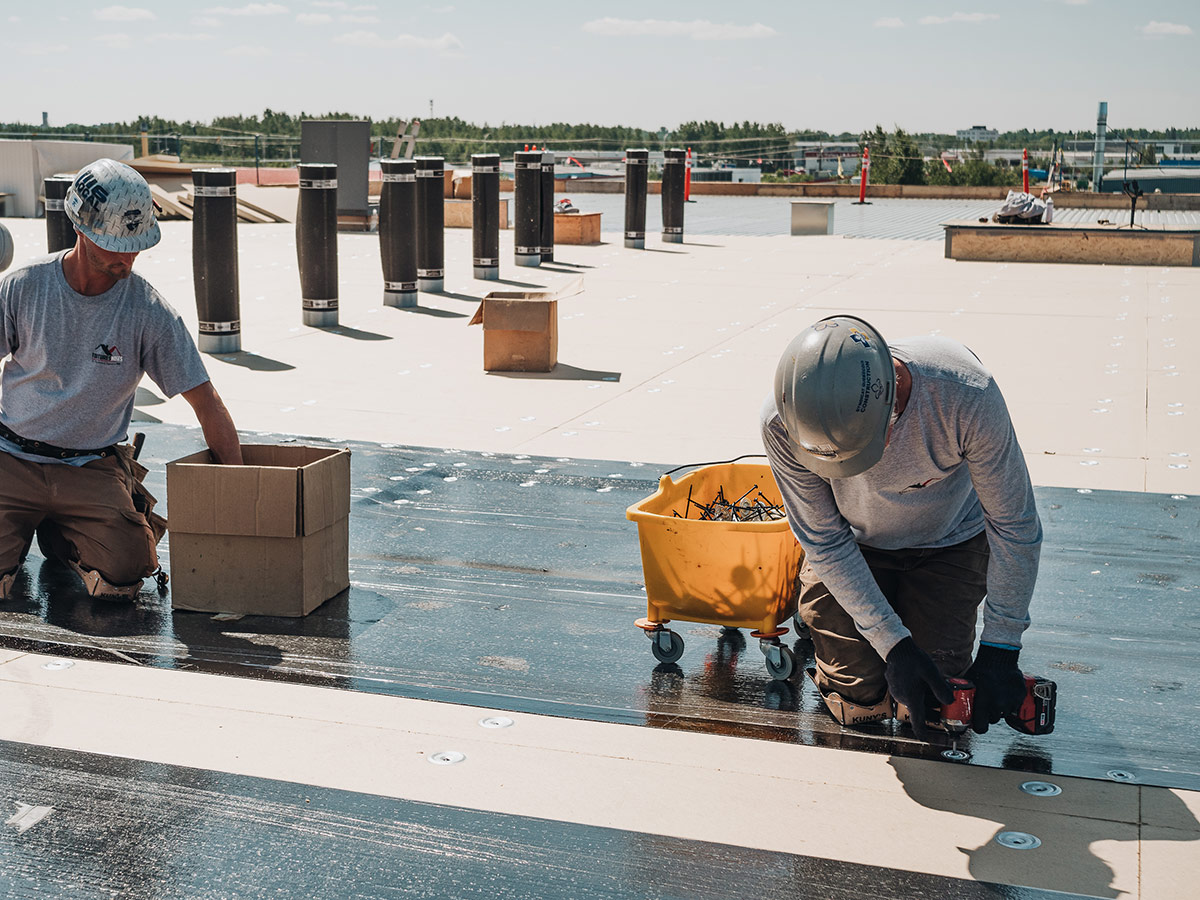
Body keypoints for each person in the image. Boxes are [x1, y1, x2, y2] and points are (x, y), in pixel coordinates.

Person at [761, 315, 1041, 740]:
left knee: (936, 698)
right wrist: (894, 643)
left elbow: (1013, 524)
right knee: (859, 700)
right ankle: (846, 656)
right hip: (852, 548)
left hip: (950, 543)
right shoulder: (784, 423)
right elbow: (824, 539)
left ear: (891, 397)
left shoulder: (965, 396)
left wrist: (1001, 648)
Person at [0, 159, 242, 602]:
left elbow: (206, 402)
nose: (128, 257)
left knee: (127, 574)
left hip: (92, 465)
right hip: (12, 458)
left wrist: (243, 491)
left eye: (136, 245)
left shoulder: (149, 311)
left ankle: (62, 534)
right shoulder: (22, 287)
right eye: (116, 246)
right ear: (82, 229)